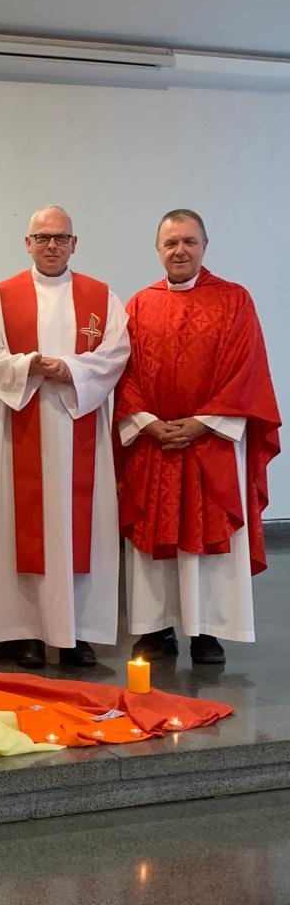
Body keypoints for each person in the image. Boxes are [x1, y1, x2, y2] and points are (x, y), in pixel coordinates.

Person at [114, 209, 281, 665]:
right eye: (171, 243)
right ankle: (157, 630)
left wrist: (203, 423)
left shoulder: (234, 300)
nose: (180, 251)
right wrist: (147, 421)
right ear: (158, 250)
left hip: (212, 442)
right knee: (155, 539)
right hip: (155, 441)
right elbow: (124, 373)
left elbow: (246, 368)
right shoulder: (139, 305)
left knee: (210, 543)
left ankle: (208, 632)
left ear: (205, 246)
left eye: (189, 241)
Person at [0, 205, 130, 668]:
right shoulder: (3, 296)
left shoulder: (101, 296)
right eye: (42, 237)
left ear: (74, 244)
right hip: (26, 422)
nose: (52, 245)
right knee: (26, 530)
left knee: (82, 528)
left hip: (81, 423)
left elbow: (117, 351)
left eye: (61, 237)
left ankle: (77, 634)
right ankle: (29, 632)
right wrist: (28, 366)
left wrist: (72, 369)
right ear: (28, 244)